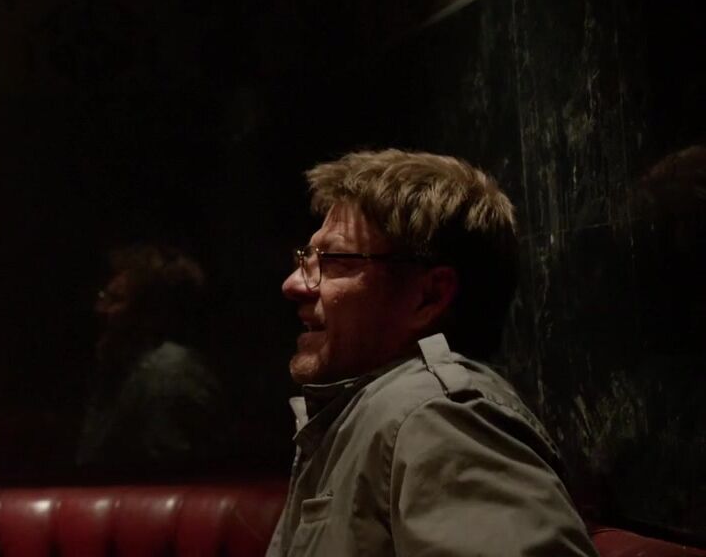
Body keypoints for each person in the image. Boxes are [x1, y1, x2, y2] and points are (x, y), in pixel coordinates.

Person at [265, 149, 597, 557]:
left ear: (430, 295)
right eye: (307, 257)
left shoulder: (439, 418)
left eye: (333, 260)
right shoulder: (370, 416)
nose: (294, 284)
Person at [76, 243, 223, 468]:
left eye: (115, 299)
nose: (100, 309)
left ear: (150, 314)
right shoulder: (123, 373)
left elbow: (170, 473)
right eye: (102, 295)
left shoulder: (169, 374)